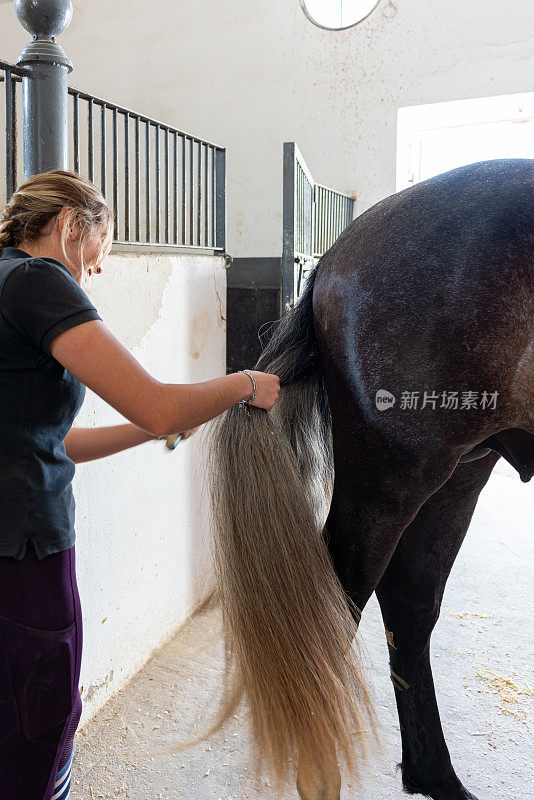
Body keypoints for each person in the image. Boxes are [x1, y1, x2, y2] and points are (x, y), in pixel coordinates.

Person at [0, 168, 280, 800]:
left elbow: (45, 442)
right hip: (25, 550)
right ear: (70, 226)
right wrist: (246, 384)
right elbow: (158, 404)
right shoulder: (39, 282)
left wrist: (145, 432)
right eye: (101, 250)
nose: (96, 271)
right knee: (38, 718)